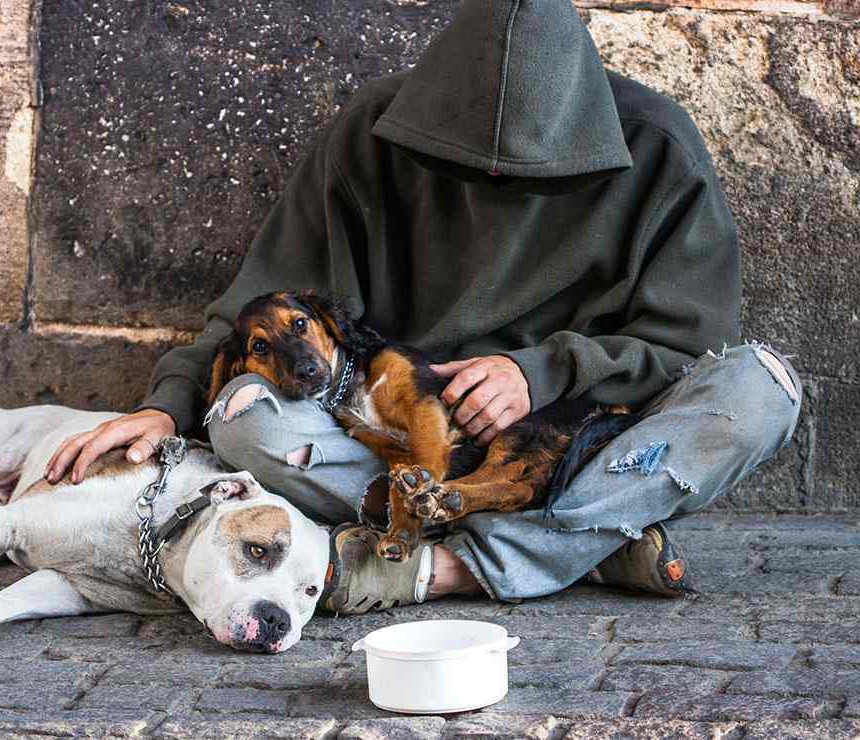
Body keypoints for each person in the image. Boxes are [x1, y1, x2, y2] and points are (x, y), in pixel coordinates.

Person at [44, 0, 801, 609]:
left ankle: (437, 572)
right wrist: (169, 406)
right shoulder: (371, 136)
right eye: (472, 170)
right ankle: (589, 545)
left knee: (761, 390)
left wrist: (541, 372)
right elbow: (260, 306)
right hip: (402, 449)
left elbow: (688, 348)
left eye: (530, 175)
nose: (497, 186)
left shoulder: (659, 146)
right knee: (246, 416)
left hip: (582, 444)